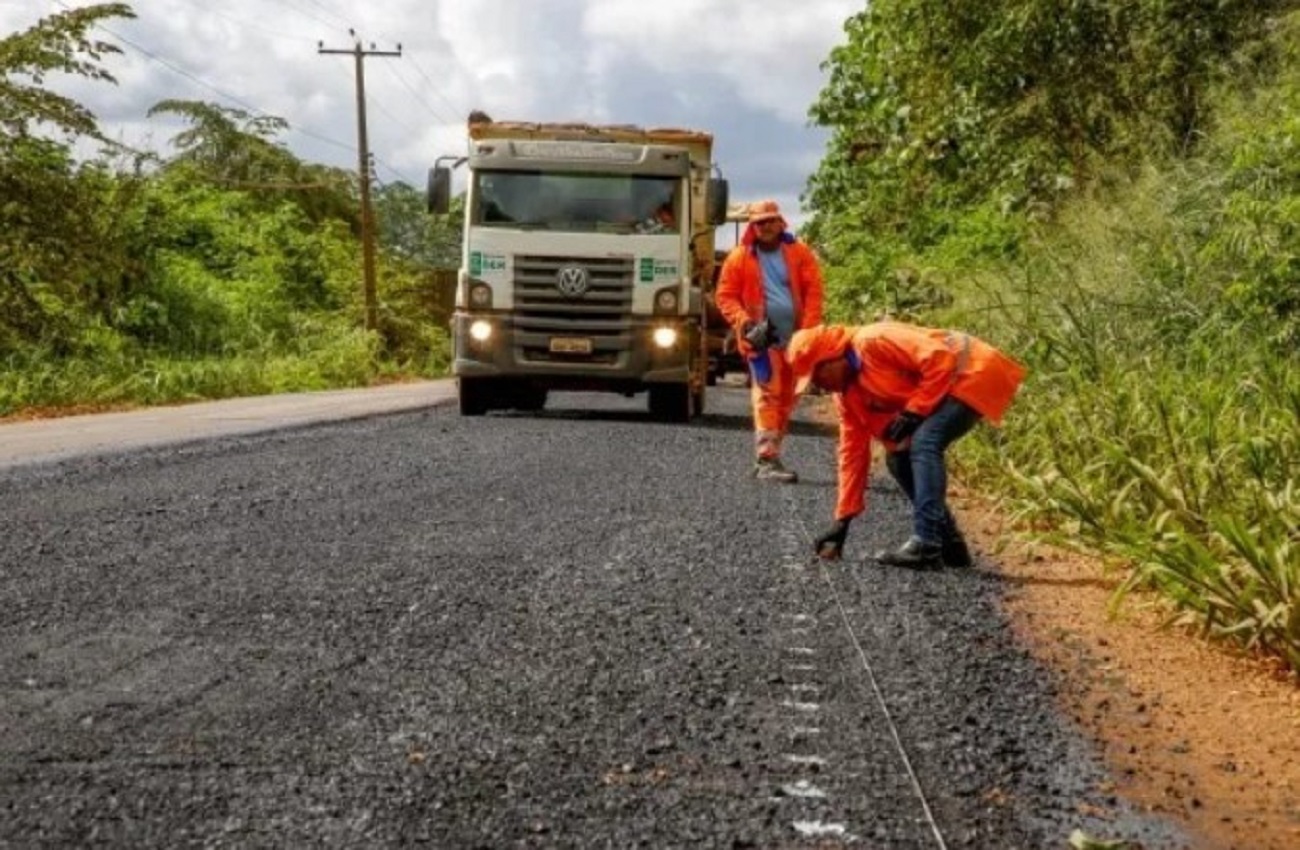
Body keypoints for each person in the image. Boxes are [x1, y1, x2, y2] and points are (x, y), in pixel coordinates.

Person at [785, 322, 1026, 567]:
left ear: (832, 357)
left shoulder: (873, 340)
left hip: (974, 370)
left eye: (816, 375)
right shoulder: (847, 396)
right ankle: (950, 545)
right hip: (946, 385)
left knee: (924, 442)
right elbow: (852, 454)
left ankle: (926, 544)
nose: (819, 386)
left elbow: (940, 359)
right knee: (898, 457)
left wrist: (914, 411)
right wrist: (843, 520)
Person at [716, 200, 825, 482]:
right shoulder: (739, 257)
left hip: (796, 340)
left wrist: (809, 331)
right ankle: (766, 459)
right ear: (753, 226)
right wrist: (745, 322)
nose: (765, 226)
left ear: (780, 223)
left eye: (770, 220)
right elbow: (725, 296)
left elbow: (814, 291)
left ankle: (771, 455)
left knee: (787, 399)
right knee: (767, 395)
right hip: (760, 339)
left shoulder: (799, 253)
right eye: (760, 222)